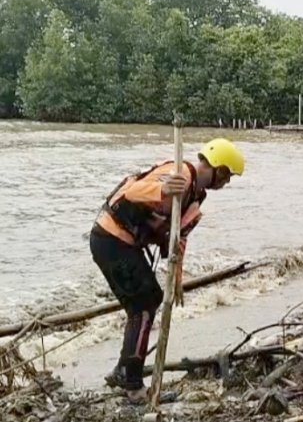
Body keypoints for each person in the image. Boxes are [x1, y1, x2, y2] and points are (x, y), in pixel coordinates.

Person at [89, 138, 245, 403]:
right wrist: (163, 188)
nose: (226, 182)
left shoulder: (196, 197)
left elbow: (178, 237)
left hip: (122, 244)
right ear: (218, 168)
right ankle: (133, 385)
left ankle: (124, 371)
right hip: (111, 240)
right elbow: (134, 191)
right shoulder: (181, 174)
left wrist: (178, 278)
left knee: (146, 302)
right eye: (227, 175)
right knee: (144, 306)